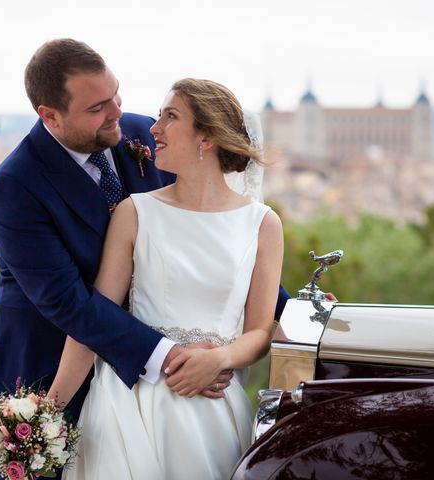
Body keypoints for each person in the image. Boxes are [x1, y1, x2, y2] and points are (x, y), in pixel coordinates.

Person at [49, 78, 284, 479]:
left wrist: (220, 358)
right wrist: (44, 414)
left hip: (213, 408)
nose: (154, 129)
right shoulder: (134, 211)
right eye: (159, 117)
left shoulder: (262, 224)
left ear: (206, 137)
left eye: (170, 117)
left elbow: (260, 332)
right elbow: (95, 320)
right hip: (127, 408)